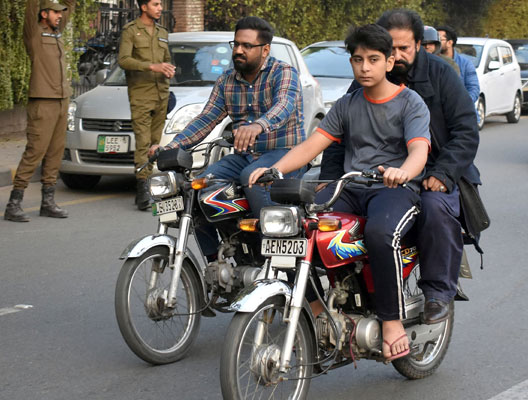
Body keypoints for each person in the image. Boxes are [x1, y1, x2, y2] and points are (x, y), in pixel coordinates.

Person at [249, 23, 431, 362]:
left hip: (394, 190)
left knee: (380, 234)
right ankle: (319, 310)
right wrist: (277, 170)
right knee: (292, 227)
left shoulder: (410, 102)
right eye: (358, 59)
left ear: (389, 62)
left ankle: (391, 322)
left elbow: (419, 150)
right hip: (349, 186)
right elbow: (312, 144)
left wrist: (403, 171)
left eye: (373, 59)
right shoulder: (347, 104)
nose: (364, 67)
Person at [320, 9, 481, 325]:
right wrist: (329, 180)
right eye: (389, 48)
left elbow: (466, 131)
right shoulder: (366, 80)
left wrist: (442, 174)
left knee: (434, 209)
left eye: (403, 48)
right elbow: (339, 136)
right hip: (381, 177)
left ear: (420, 44)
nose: (396, 55)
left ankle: (437, 293)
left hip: (436, 171)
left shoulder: (442, 75)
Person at [151, 16, 306, 262]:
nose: (239, 51)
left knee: (252, 178)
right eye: (236, 44)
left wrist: (259, 125)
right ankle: (216, 264)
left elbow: (284, 105)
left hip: (283, 153)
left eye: (247, 46)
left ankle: (273, 258)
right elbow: (206, 119)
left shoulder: (283, 73)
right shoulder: (227, 80)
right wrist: (171, 146)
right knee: (197, 189)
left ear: (265, 50)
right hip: (243, 157)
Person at [4, 0, 75, 222]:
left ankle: (48, 202)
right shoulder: (35, 33)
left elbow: (70, 6)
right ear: (44, 14)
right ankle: (13, 204)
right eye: (55, 12)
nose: (60, 16)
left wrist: (67, 6)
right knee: (35, 151)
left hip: (62, 101)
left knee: (55, 153)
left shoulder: (56, 34)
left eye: (60, 13)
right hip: (42, 102)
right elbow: (30, 9)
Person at [118, 0, 174, 210]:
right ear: (144, 7)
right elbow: (123, 60)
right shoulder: (131, 31)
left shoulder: (162, 32)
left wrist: (168, 69)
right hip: (141, 95)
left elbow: (166, 58)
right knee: (142, 142)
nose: (160, 8)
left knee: (154, 143)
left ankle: (148, 182)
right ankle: (142, 188)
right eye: (156, 4)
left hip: (161, 93)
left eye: (160, 4)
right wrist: (151, 66)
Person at [436, 25, 480, 105]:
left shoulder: (465, 64)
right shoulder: (431, 62)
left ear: (449, 42)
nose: (436, 42)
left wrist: (462, 104)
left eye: (439, 39)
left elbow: (473, 89)